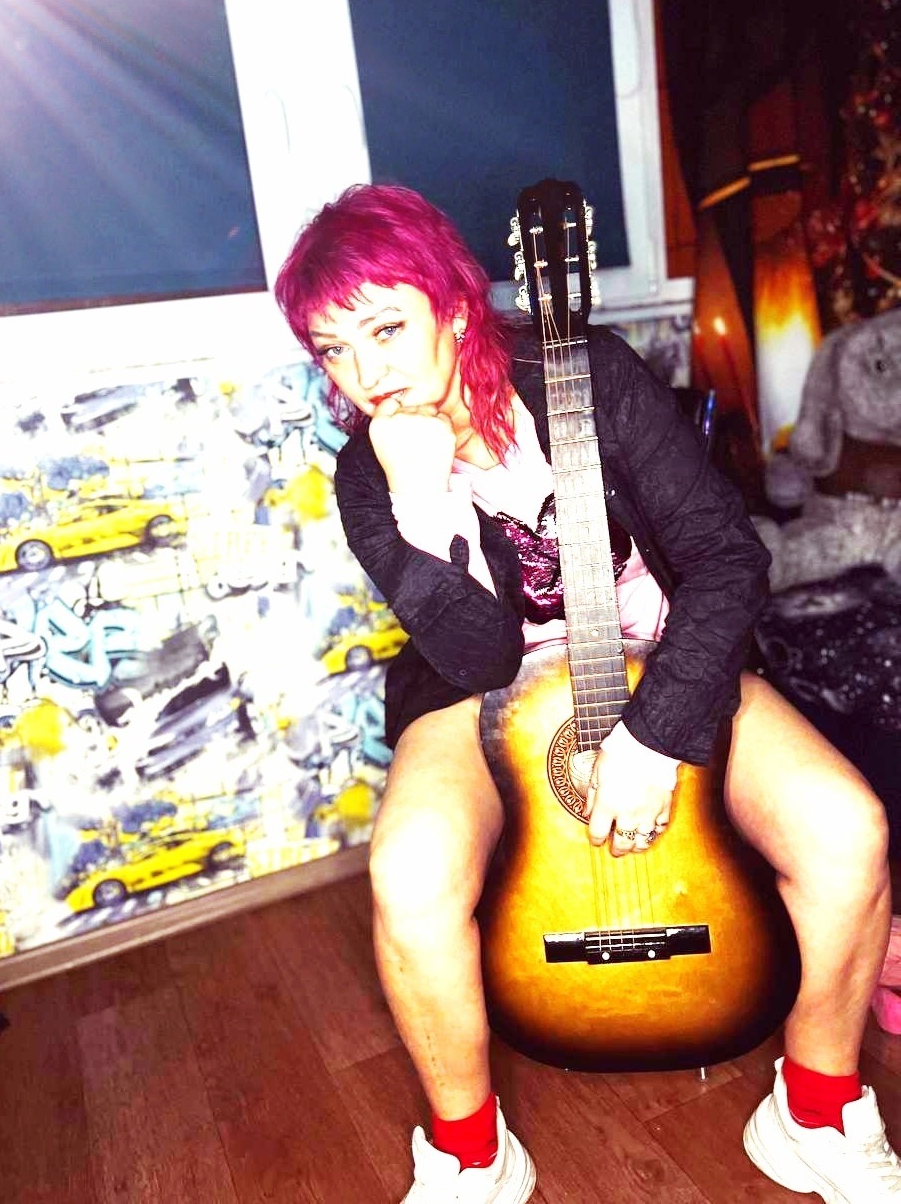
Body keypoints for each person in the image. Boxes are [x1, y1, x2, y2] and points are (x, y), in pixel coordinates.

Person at [275, 183, 897, 1204]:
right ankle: (473, 1153)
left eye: (386, 328)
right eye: (334, 350)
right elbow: (477, 656)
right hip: (476, 695)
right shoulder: (367, 476)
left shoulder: (588, 374)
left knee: (848, 828)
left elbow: (727, 559)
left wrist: (654, 736)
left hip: (663, 655)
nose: (367, 374)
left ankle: (816, 1111)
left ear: (454, 305)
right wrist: (423, 504)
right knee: (409, 870)